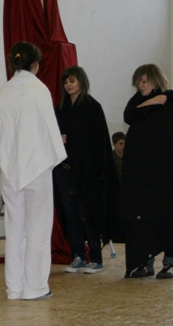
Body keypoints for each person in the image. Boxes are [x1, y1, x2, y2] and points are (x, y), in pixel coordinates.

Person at [0, 42, 66, 300]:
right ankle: (35, 286)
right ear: (35, 64)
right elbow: (50, 132)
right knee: (38, 228)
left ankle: (14, 287)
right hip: (37, 168)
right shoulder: (39, 90)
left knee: (14, 228)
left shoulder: (4, 91)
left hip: (11, 170)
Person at [121, 64, 173, 279]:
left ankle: (170, 262)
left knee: (168, 218)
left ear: (155, 80)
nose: (140, 85)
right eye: (138, 81)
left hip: (166, 175)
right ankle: (145, 262)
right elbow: (129, 115)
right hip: (142, 176)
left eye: (144, 80)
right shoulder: (136, 103)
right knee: (143, 221)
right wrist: (151, 102)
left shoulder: (170, 100)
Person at [54, 66, 120, 275]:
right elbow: (56, 135)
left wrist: (70, 138)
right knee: (70, 214)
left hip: (87, 172)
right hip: (65, 169)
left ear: (81, 81)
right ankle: (78, 256)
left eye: (72, 81)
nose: (68, 85)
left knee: (87, 214)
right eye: (66, 82)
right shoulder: (60, 108)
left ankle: (96, 258)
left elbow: (94, 141)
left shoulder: (92, 107)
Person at [3, 0, 77, 106]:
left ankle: (58, 103)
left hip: (45, 38)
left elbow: (54, 21)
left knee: (62, 49)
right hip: (28, 36)